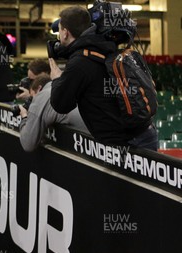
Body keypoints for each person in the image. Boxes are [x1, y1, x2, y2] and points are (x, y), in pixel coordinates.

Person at [49, 6, 157, 150]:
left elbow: (61, 105)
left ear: (65, 33)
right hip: (145, 134)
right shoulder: (103, 46)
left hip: (127, 144)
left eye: (60, 30)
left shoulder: (80, 62)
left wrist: (57, 79)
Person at [19, 74, 88, 152]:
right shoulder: (63, 86)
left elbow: (28, 144)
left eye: (32, 97)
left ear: (39, 89)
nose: (32, 101)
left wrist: (24, 117)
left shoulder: (42, 96)